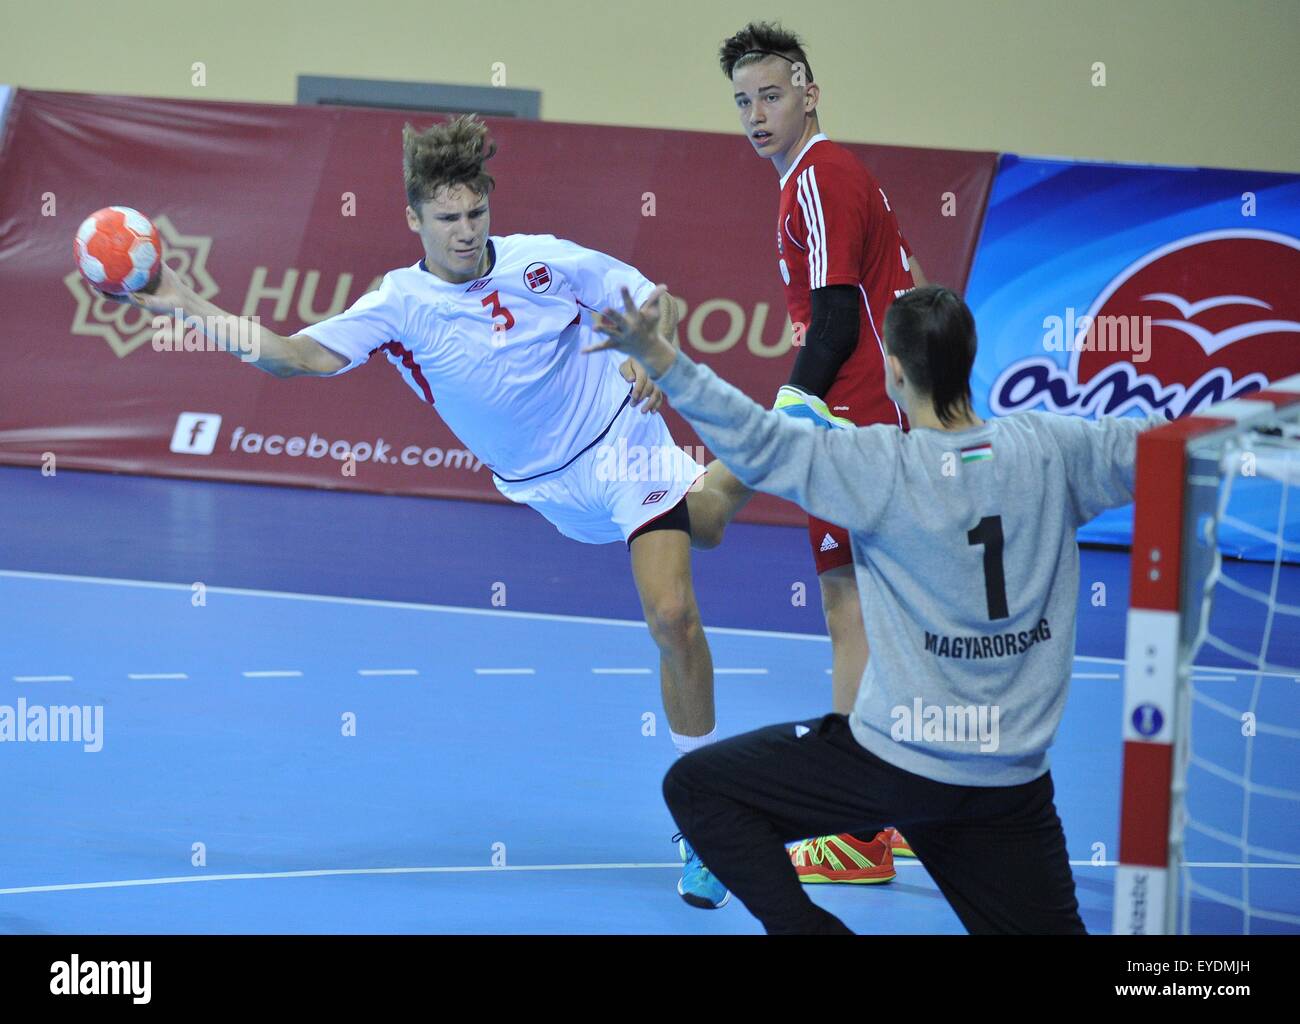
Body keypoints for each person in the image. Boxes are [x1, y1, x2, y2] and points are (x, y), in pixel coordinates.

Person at [93, 113, 738, 909]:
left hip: (623, 439)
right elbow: (294, 357)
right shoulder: (399, 306)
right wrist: (187, 301)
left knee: (672, 614)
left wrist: (653, 347)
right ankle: (753, 452)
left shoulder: (547, 261)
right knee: (706, 520)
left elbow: (655, 299)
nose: (465, 233)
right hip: (545, 487)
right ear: (413, 219)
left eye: (476, 214)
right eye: (447, 218)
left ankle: (702, 821)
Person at [588, 282, 1156, 934]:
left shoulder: (879, 466)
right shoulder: (1054, 450)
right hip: (1012, 784)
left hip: (899, 764)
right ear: (970, 360)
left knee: (696, 789)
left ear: (893, 371)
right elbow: (1171, 444)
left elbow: (753, 439)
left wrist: (658, 355)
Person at [695, 20, 932, 882]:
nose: (756, 114)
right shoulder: (814, 179)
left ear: (809, 91)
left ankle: (861, 834)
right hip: (879, 419)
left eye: (771, 95)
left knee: (851, 616)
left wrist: (783, 425)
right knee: (880, 616)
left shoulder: (822, 176)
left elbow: (833, 321)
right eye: (743, 101)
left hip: (859, 426)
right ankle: (895, 805)